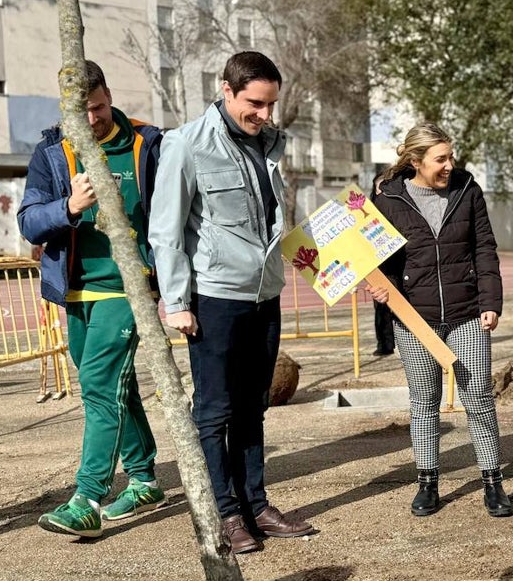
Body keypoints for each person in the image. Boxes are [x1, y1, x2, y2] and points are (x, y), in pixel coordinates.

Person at [150, 51, 314, 554]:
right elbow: (166, 231)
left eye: (271, 105)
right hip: (215, 298)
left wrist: (318, 259)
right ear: (226, 90)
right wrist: (176, 301)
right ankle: (224, 513)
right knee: (215, 411)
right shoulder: (185, 145)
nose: (264, 114)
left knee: (253, 406)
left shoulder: (268, 146)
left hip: (264, 294)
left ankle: (256, 505)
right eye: (255, 104)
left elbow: (270, 225)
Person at [18, 59, 165, 538]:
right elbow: (29, 221)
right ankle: (143, 479)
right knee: (116, 386)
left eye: (100, 106)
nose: (96, 118)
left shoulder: (148, 143)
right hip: (75, 290)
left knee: (100, 385)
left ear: (108, 95)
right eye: (84, 112)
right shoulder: (52, 151)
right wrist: (68, 207)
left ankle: (88, 497)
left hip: (128, 287)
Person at [367, 123, 510, 518]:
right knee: (424, 401)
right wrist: (382, 290)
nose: (450, 164)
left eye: (451, 156)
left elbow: (485, 248)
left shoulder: (467, 191)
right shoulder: (389, 199)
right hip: (415, 318)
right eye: (441, 159)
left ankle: (493, 483)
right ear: (416, 161)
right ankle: (427, 483)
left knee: (479, 397)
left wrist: (491, 301)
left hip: (467, 314)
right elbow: (379, 259)